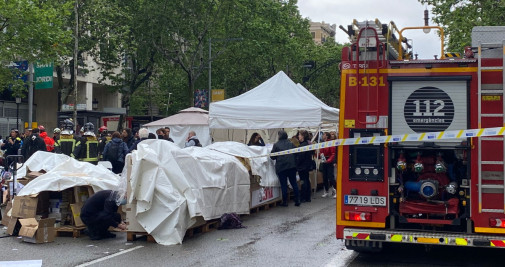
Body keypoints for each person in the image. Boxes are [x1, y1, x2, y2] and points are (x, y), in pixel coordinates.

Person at [270, 130, 300, 207]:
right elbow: (296, 153)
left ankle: (285, 202)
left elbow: (272, 156)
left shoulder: (276, 145)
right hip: (291, 166)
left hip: (281, 167)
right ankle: (297, 200)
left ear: (279, 136)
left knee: (284, 185)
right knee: (294, 183)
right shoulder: (291, 143)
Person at [296, 130, 313, 203]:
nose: (298, 136)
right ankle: (308, 197)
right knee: (307, 180)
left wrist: (297, 164)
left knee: (303, 181)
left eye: (299, 135)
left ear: (303, 136)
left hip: (302, 166)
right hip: (307, 166)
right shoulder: (308, 144)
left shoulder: (302, 145)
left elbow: (300, 157)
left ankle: (303, 197)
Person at [319, 132, 336, 198]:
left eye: (324, 134)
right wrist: (322, 157)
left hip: (329, 160)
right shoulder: (323, 143)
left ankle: (335, 189)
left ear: (326, 136)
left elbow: (333, 153)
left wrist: (329, 160)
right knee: (324, 177)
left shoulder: (330, 143)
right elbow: (321, 151)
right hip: (324, 159)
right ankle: (326, 190)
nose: (323, 135)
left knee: (331, 176)